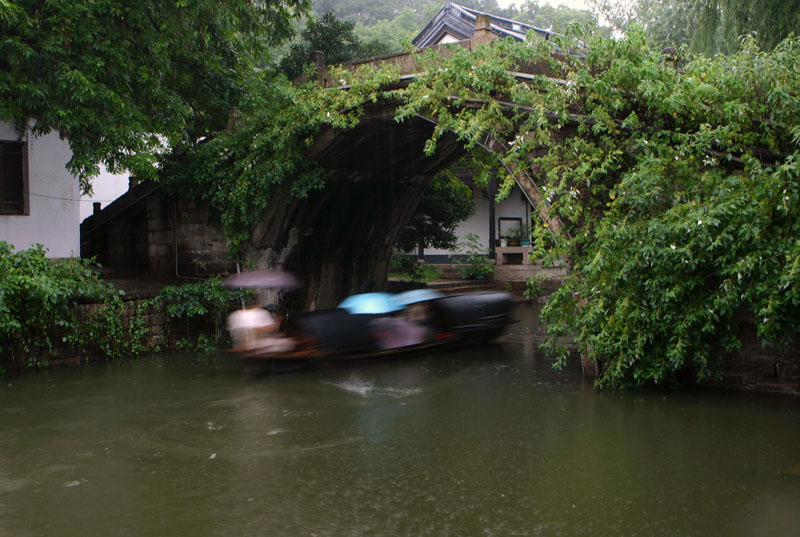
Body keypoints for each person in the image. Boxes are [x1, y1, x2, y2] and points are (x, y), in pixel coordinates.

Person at [227, 306, 295, 353]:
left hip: (245, 347)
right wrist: (277, 323)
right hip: (254, 347)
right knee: (288, 343)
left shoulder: (234, 316)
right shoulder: (256, 313)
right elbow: (261, 329)